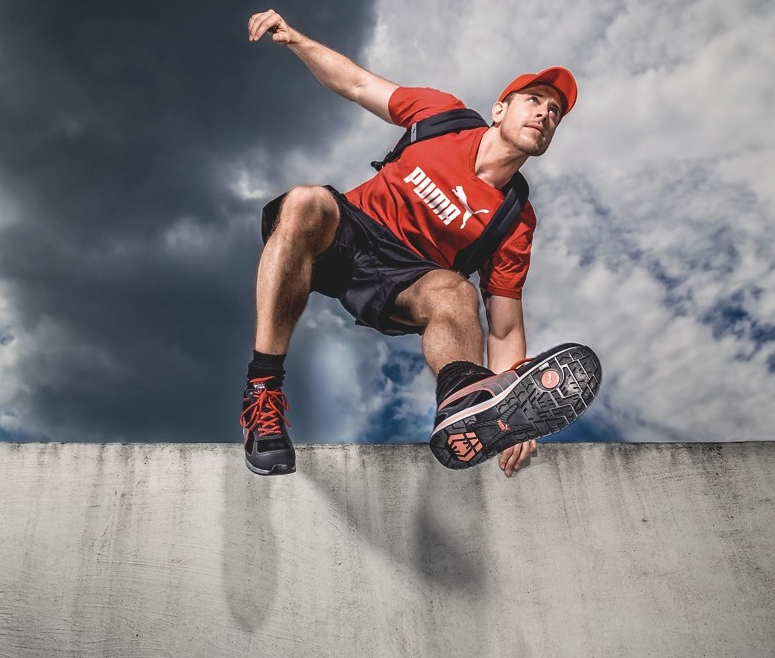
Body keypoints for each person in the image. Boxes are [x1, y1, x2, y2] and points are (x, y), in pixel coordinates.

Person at [241, 9, 578, 478]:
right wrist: (295, 39)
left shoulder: (514, 218)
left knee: (457, 293)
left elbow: (503, 328)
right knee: (304, 201)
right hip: (351, 230)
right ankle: (264, 392)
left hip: (409, 279)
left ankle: (466, 402)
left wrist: (513, 408)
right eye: (535, 100)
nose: (545, 113)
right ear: (501, 109)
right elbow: (357, 84)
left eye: (555, 113)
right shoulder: (444, 116)